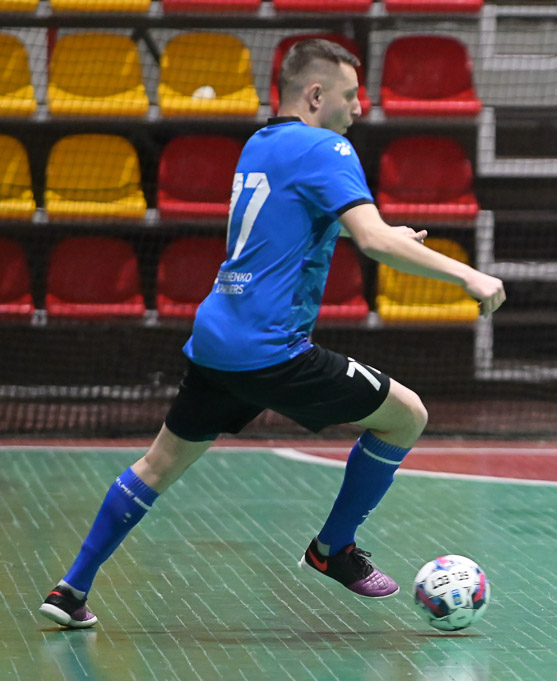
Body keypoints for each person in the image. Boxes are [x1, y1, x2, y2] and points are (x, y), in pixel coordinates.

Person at [38, 39, 506, 629]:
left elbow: (296, 225)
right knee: (406, 416)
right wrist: (468, 275)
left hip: (217, 339)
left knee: (157, 466)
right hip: (272, 349)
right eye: (349, 95)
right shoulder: (328, 146)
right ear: (315, 95)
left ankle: (70, 589)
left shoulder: (261, 144)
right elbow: (372, 240)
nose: (358, 108)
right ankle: (333, 548)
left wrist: (387, 235)